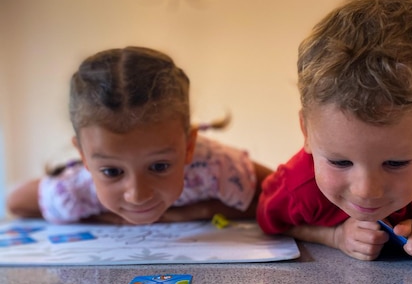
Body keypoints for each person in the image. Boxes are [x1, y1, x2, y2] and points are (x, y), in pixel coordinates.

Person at [257, 0, 412, 270]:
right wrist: (333, 236)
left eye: (396, 163)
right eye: (340, 161)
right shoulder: (301, 185)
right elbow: (270, 219)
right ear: (306, 132)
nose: (366, 190)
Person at [7, 46, 272, 225]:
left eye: (159, 166)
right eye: (111, 171)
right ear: (83, 156)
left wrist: (197, 211)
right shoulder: (76, 190)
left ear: (189, 145)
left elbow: (280, 197)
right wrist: (112, 220)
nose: (137, 195)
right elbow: (16, 203)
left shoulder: (217, 166)